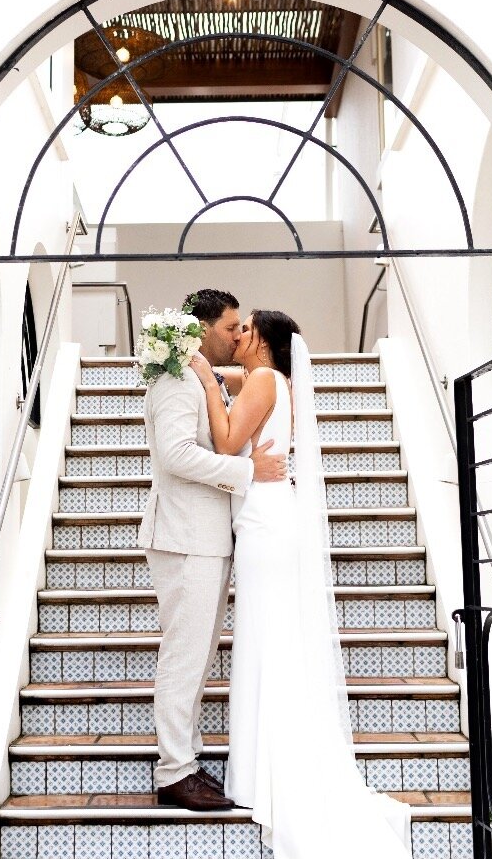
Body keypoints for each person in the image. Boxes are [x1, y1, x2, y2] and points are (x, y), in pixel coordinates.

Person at [187, 310, 412, 859]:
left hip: (266, 523)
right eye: (234, 329)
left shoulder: (265, 380)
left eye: (245, 331)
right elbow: (234, 382)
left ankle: (266, 774)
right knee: (268, 641)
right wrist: (207, 370)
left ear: (263, 340)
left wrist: (198, 369)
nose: (236, 336)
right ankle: (261, 769)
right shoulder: (274, 379)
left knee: (267, 643)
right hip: (267, 518)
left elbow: (224, 440)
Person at [138, 288, 290, 810]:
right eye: (229, 327)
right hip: (184, 537)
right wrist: (248, 471)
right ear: (202, 327)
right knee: (185, 656)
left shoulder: (195, 373)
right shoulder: (174, 378)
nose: (236, 335)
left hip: (206, 537)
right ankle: (174, 772)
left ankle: (185, 761)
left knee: (198, 656)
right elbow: (178, 454)